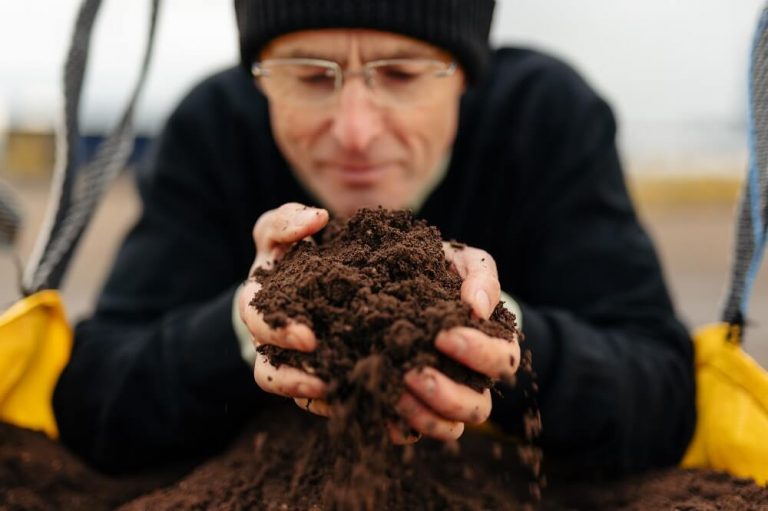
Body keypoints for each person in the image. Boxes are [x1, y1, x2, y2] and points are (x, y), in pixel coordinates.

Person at [53, 0, 696, 474]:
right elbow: (96, 398)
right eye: (310, 76)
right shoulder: (211, 132)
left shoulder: (546, 118)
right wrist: (241, 329)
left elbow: (662, 394)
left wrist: (500, 335)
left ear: (466, 77)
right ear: (261, 81)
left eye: (401, 75)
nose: (356, 132)